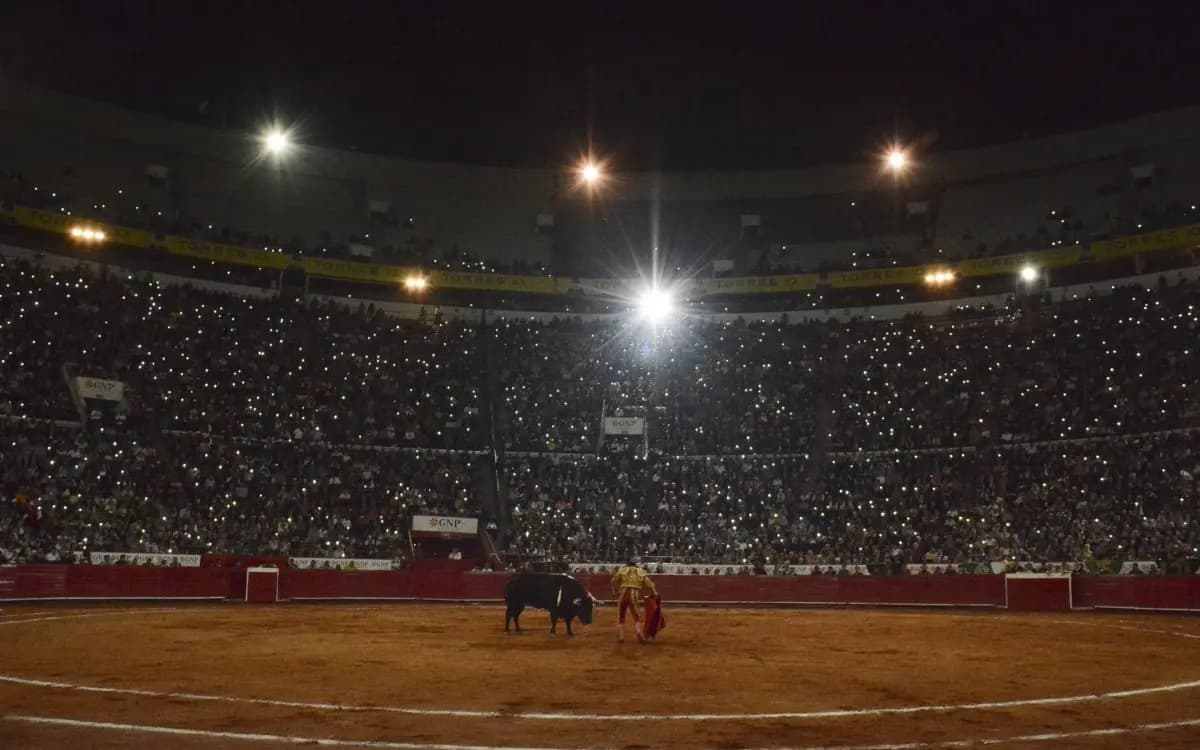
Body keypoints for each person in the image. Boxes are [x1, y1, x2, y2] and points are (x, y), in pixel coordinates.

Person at [611, 555, 656, 643]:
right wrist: (653, 593)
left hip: (623, 595)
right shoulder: (640, 571)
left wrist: (616, 591)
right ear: (636, 564)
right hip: (633, 595)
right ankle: (639, 632)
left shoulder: (622, 570)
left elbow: (613, 580)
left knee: (621, 616)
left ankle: (621, 637)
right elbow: (650, 584)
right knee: (637, 616)